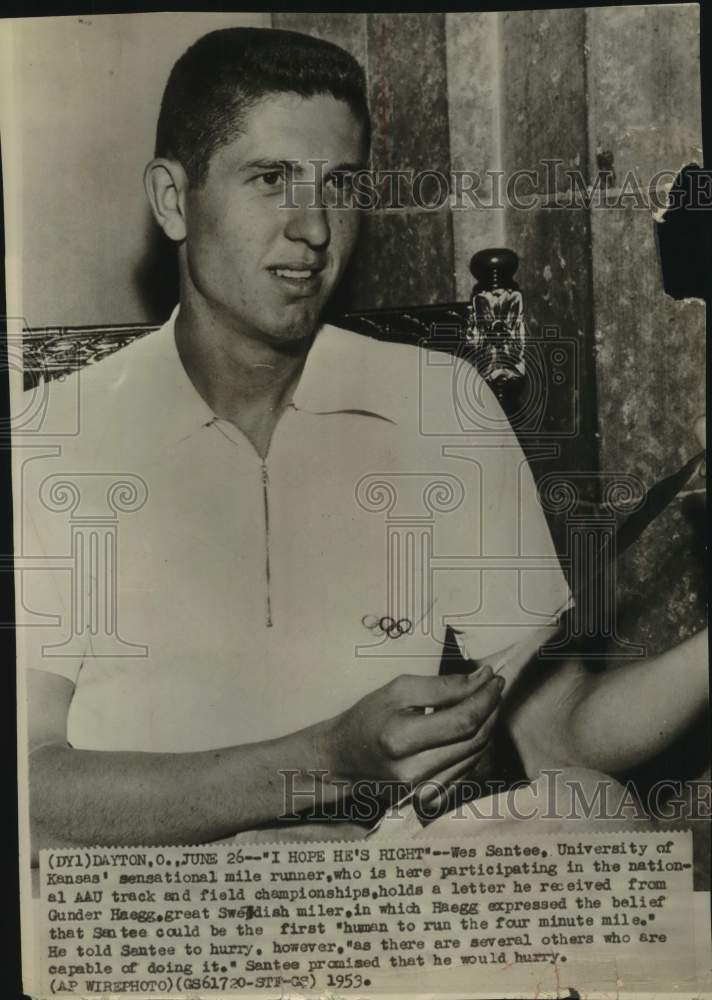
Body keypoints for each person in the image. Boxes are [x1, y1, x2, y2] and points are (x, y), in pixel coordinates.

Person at [19, 27, 707, 861]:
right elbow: (33, 793)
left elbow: (557, 735)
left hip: (372, 883)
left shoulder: (441, 402)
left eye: (339, 184)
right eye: (270, 179)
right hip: (155, 908)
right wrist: (323, 762)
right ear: (173, 198)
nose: (312, 228)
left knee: (592, 813)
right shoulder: (54, 436)